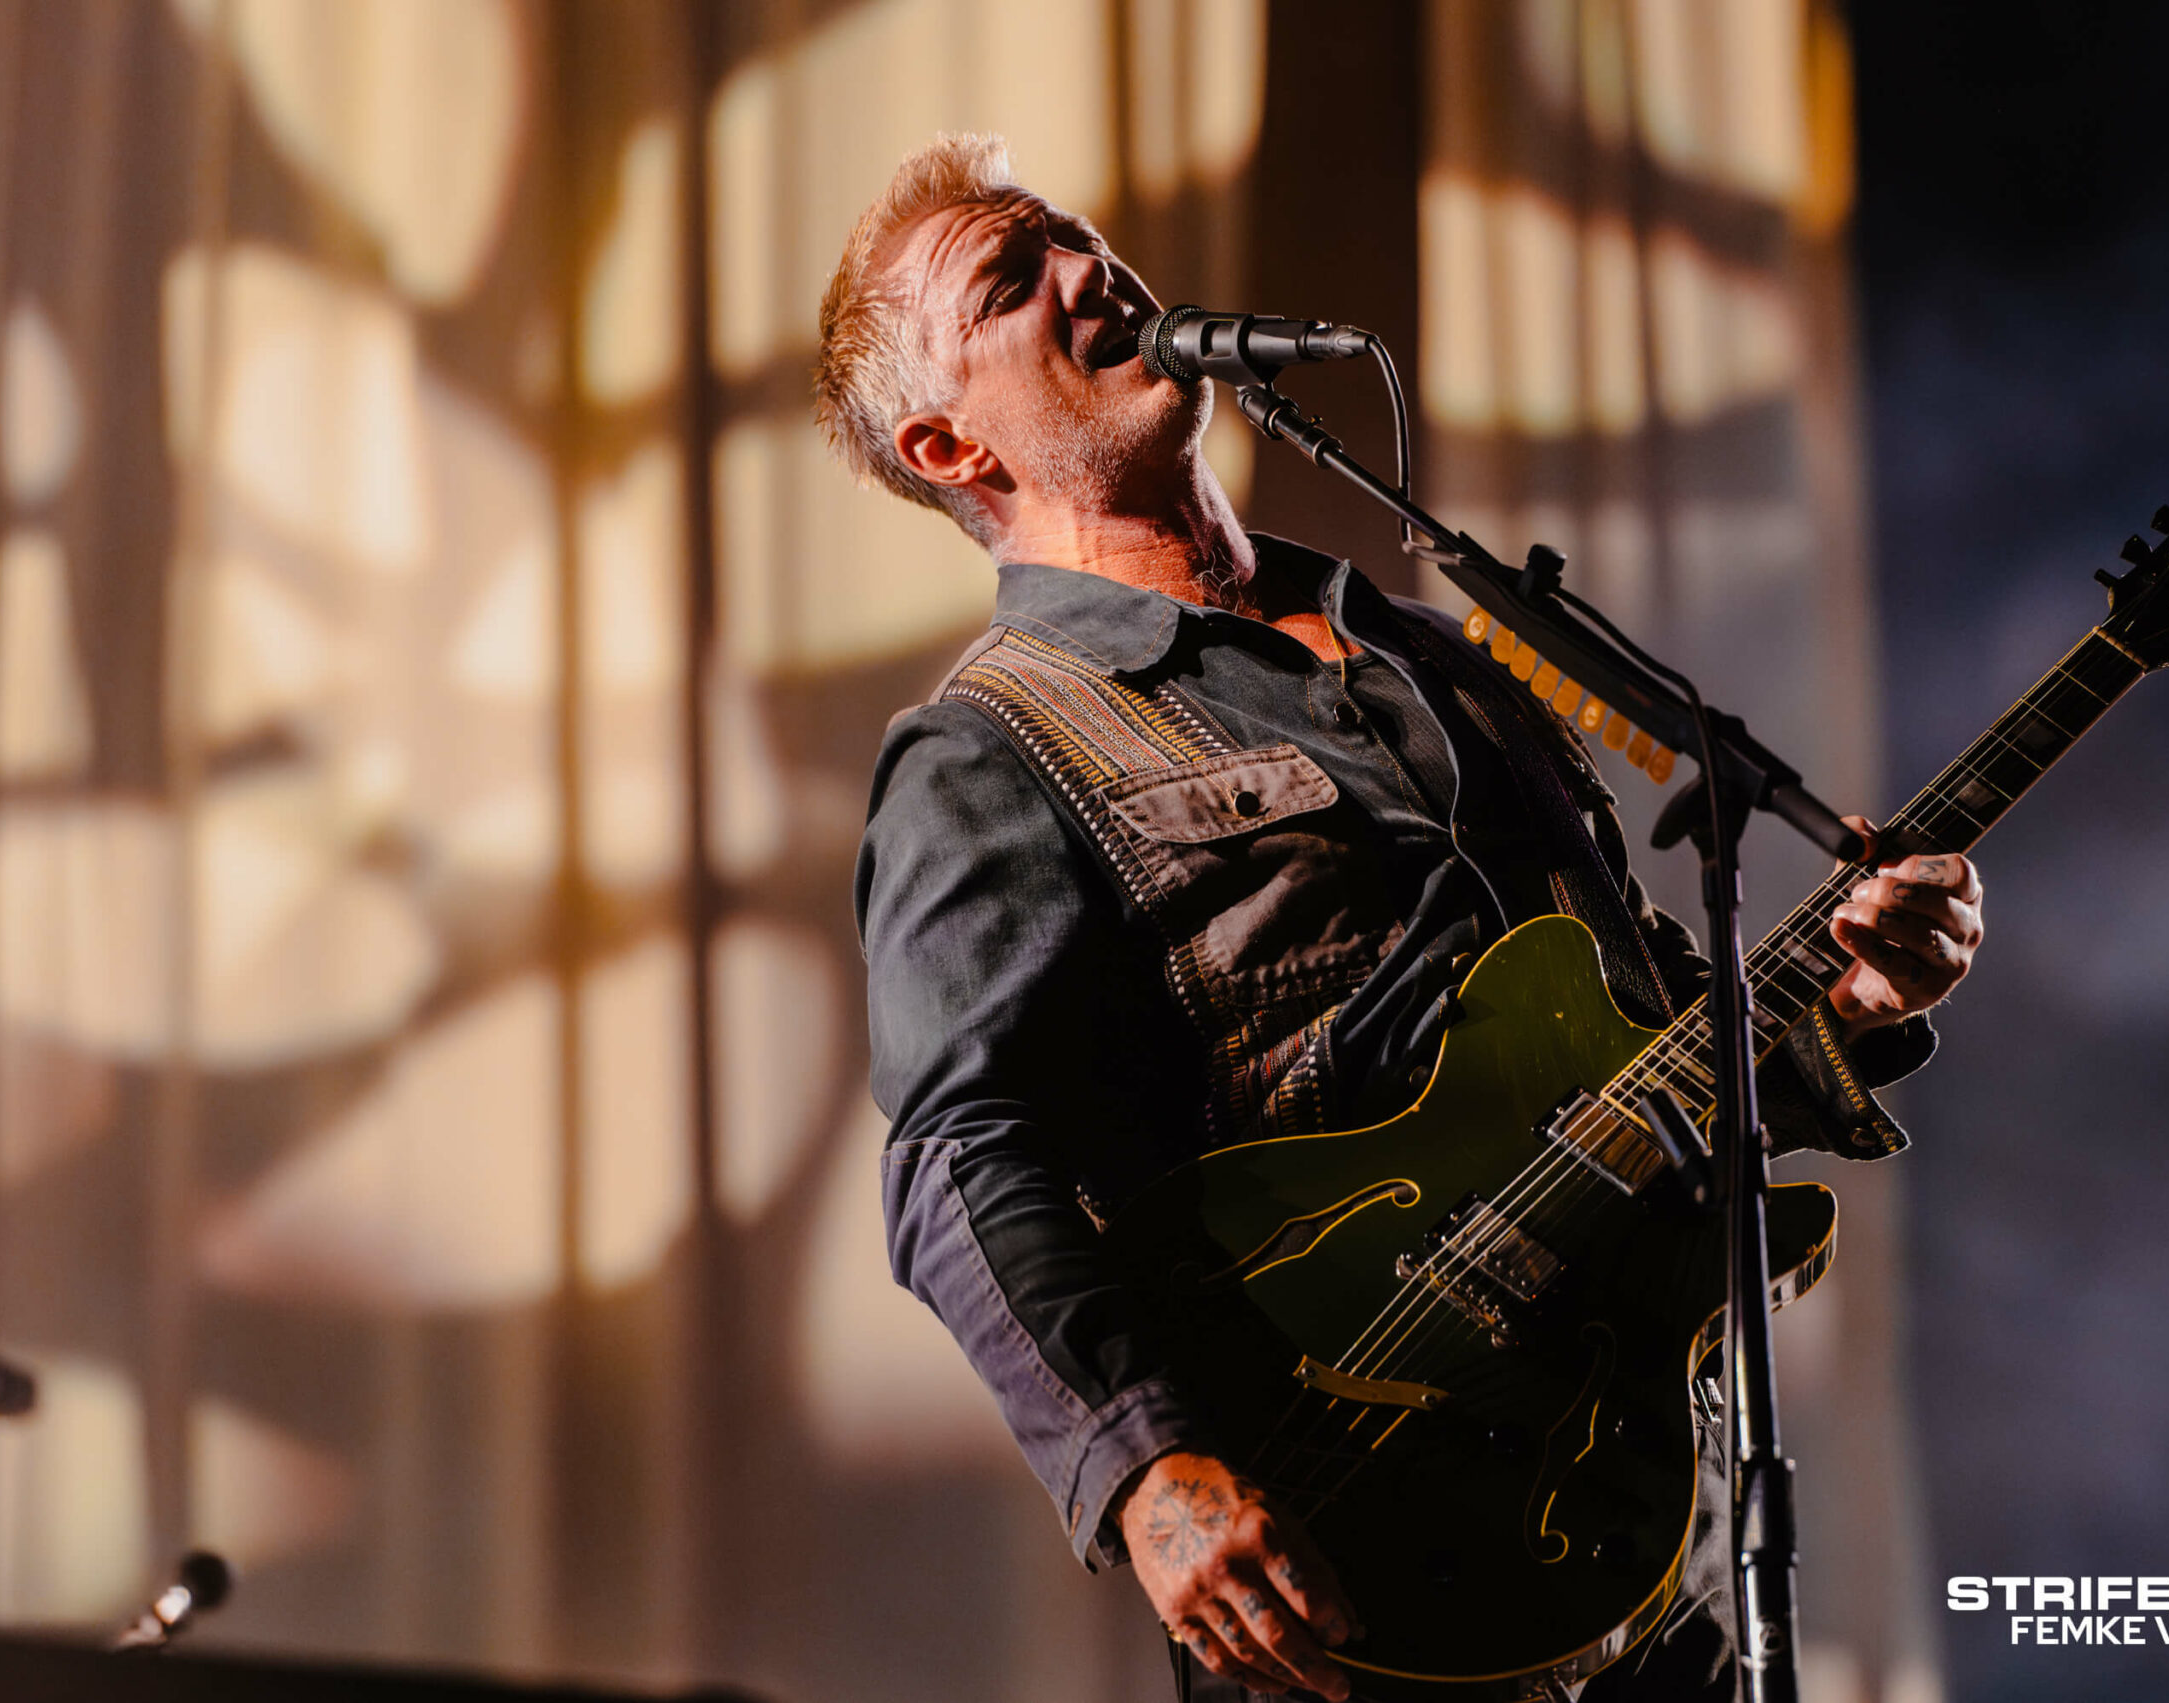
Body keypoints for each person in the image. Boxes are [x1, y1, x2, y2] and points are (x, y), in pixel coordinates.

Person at [822, 135, 1985, 1702]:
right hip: (1363, 1571)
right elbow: (963, 1158)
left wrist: (1843, 1003)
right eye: (1011, 285)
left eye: (1077, 239)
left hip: (1647, 1529)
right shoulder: (991, 748)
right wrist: (1146, 1472)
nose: (1092, 274)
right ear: (951, 448)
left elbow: (1638, 1071)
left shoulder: (1441, 659)